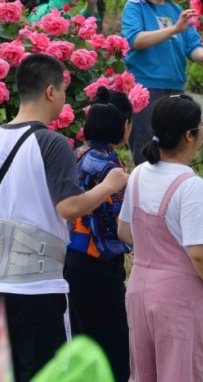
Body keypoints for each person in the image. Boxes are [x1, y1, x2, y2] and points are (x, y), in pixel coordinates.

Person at [0, 53, 128, 382]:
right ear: (50, 91)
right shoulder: (53, 144)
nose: (65, 99)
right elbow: (69, 208)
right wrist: (109, 185)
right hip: (37, 288)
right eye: (64, 90)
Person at [117, 95, 203, 382]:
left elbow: (124, 231)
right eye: (201, 125)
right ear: (189, 135)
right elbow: (199, 252)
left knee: (143, 375)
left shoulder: (138, 174)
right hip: (177, 299)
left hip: (139, 290)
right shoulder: (190, 185)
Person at [121, 0, 203, 166]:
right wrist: (173, 30)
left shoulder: (175, 9)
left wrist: (202, 57)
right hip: (146, 88)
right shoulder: (135, 7)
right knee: (145, 151)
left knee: (174, 149)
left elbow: (191, 43)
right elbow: (134, 39)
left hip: (175, 87)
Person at [64, 87, 133, 382]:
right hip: (99, 265)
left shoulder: (75, 153)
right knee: (113, 353)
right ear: (123, 125)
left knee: (83, 347)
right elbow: (117, 223)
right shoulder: (110, 164)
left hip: (71, 258)